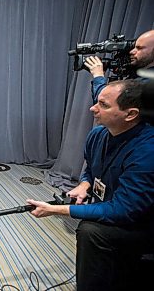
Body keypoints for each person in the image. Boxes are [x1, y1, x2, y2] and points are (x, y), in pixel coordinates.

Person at [27, 79, 154, 291]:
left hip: (142, 224)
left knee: (90, 231)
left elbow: (124, 210)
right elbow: (91, 169)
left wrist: (56, 210)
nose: (93, 108)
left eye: (103, 105)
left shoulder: (147, 151)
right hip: (119, 207)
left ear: (130, 114)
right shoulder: (98, 135)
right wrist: (85, 184)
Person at [85, 29, 154, 103]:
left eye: (139, 48)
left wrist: (98, 75)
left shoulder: (148, 81)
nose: (131, 52)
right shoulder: (141, 74)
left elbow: (106, 102)